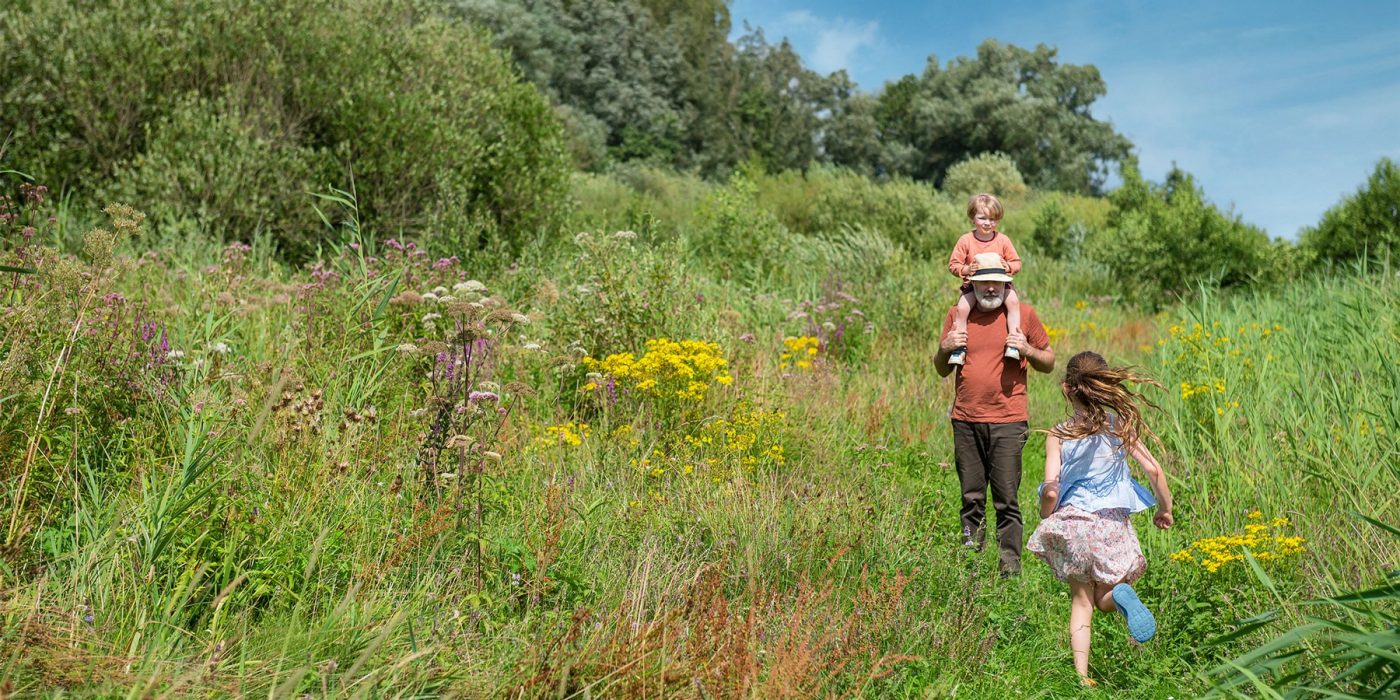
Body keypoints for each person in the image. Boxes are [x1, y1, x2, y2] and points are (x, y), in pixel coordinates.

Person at [1026, 351, 1175, 687]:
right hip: (1110, 526)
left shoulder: (1059, 433)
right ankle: (1121, 593)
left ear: (1067, 389)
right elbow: (1154, 470)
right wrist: (1165, 508)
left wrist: (1047, 516)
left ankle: (1081, 678)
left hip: (1074, 525)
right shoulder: (1117, 425)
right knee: (1106, 599)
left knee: (1082, 602)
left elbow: (1051, 489)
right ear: (1104, 388)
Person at [934, 259, 1055, 576]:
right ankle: (969, 568)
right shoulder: (957, 315)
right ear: (971, 284)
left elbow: (1049, 361)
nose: (990, 287)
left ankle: (1009, 571)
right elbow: (941, 368)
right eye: (984, 282)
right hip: (965, 420)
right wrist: (944, 348)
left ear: (1006, 283)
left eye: (996, 282)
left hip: (1008, 421)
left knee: (1006, 499)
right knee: (971, 497)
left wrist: (1026, 349)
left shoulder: (1023, 315)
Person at [947, 193, 1023, 365]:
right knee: (962, 308)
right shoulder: (965, 240)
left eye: (993, 219)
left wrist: (1008, 266)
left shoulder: (1003, 240)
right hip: (974, 285)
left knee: (1013, 302)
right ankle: (959, 348)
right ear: (973, 218)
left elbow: (1017, 262)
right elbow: (953, 264)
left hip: (1000, 285)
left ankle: (1013, 342)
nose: (988, 223)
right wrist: (966, 269)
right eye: (983, 218)